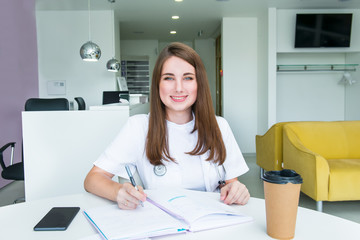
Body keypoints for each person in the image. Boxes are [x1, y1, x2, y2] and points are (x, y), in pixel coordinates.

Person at [84, 42, 250, 210]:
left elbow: (231, 183)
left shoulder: (219, 126)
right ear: (158, 84)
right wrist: (118, 191)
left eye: (188, 78)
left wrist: (236, 190)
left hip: (211, 221)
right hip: (161, 223)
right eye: (169, 78)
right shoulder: (138, 127)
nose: (178, 88)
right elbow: (92, 179)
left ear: (199, 84)